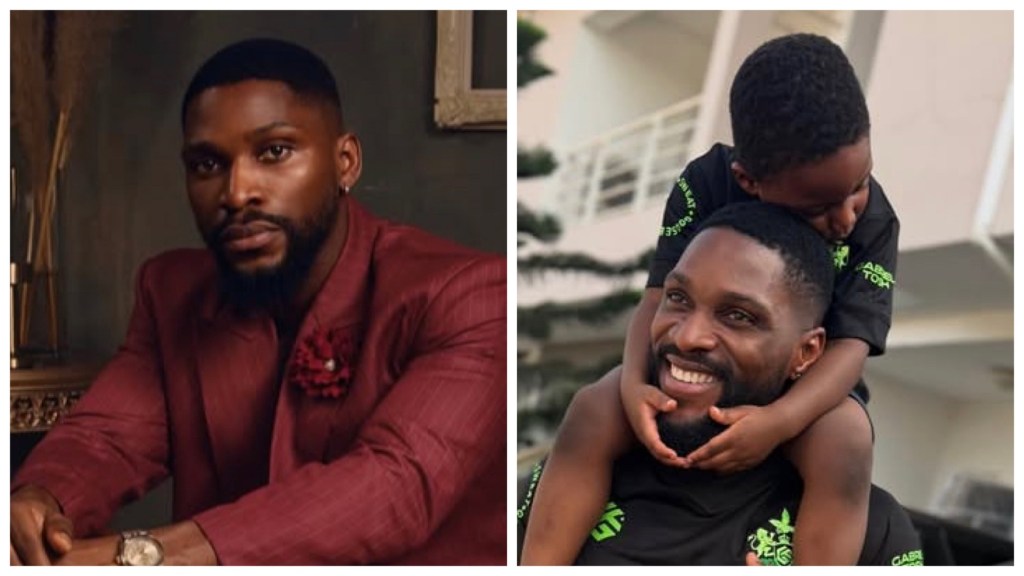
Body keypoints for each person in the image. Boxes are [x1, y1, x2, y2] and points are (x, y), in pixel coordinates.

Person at [10, 38, 505, 566]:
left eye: (274, 152)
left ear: (345, 162)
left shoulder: (472, 295)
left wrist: (143, 556)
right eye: (206, 164)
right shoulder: (172, 292)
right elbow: (107, 439)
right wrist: (42, 500)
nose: (237, 191)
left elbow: (396, 484)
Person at [520, 33, 899, 565]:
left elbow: (852, 345)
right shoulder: (706, 182)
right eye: (817, 207)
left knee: (847, 438)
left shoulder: (875, 221)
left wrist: (779, 423)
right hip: (691, 380)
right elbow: (658, 297)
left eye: (859, 183)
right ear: (748, 181)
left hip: (810, 391)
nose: (846, 218)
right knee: (593, 406)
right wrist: (632, 387)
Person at [518, 202, 921, 565]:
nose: (689, 336)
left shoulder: (873, 534)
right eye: (678, 298)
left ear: (806, 353)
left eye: (739, 316)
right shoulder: (560, 482)